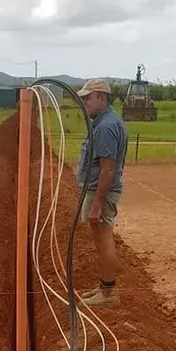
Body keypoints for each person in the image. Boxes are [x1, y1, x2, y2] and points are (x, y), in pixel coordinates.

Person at [76, 79, 128, 308]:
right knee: (100, 239)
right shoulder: (103, 122)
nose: (85, 102)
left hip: (101, 192)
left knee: (104, 239)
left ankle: (108, 293)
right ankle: (104, 287)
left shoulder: (106, 127)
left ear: (102, 98)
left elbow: (108, 169)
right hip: (98, 190)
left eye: (89, 98)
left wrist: (97, 203)